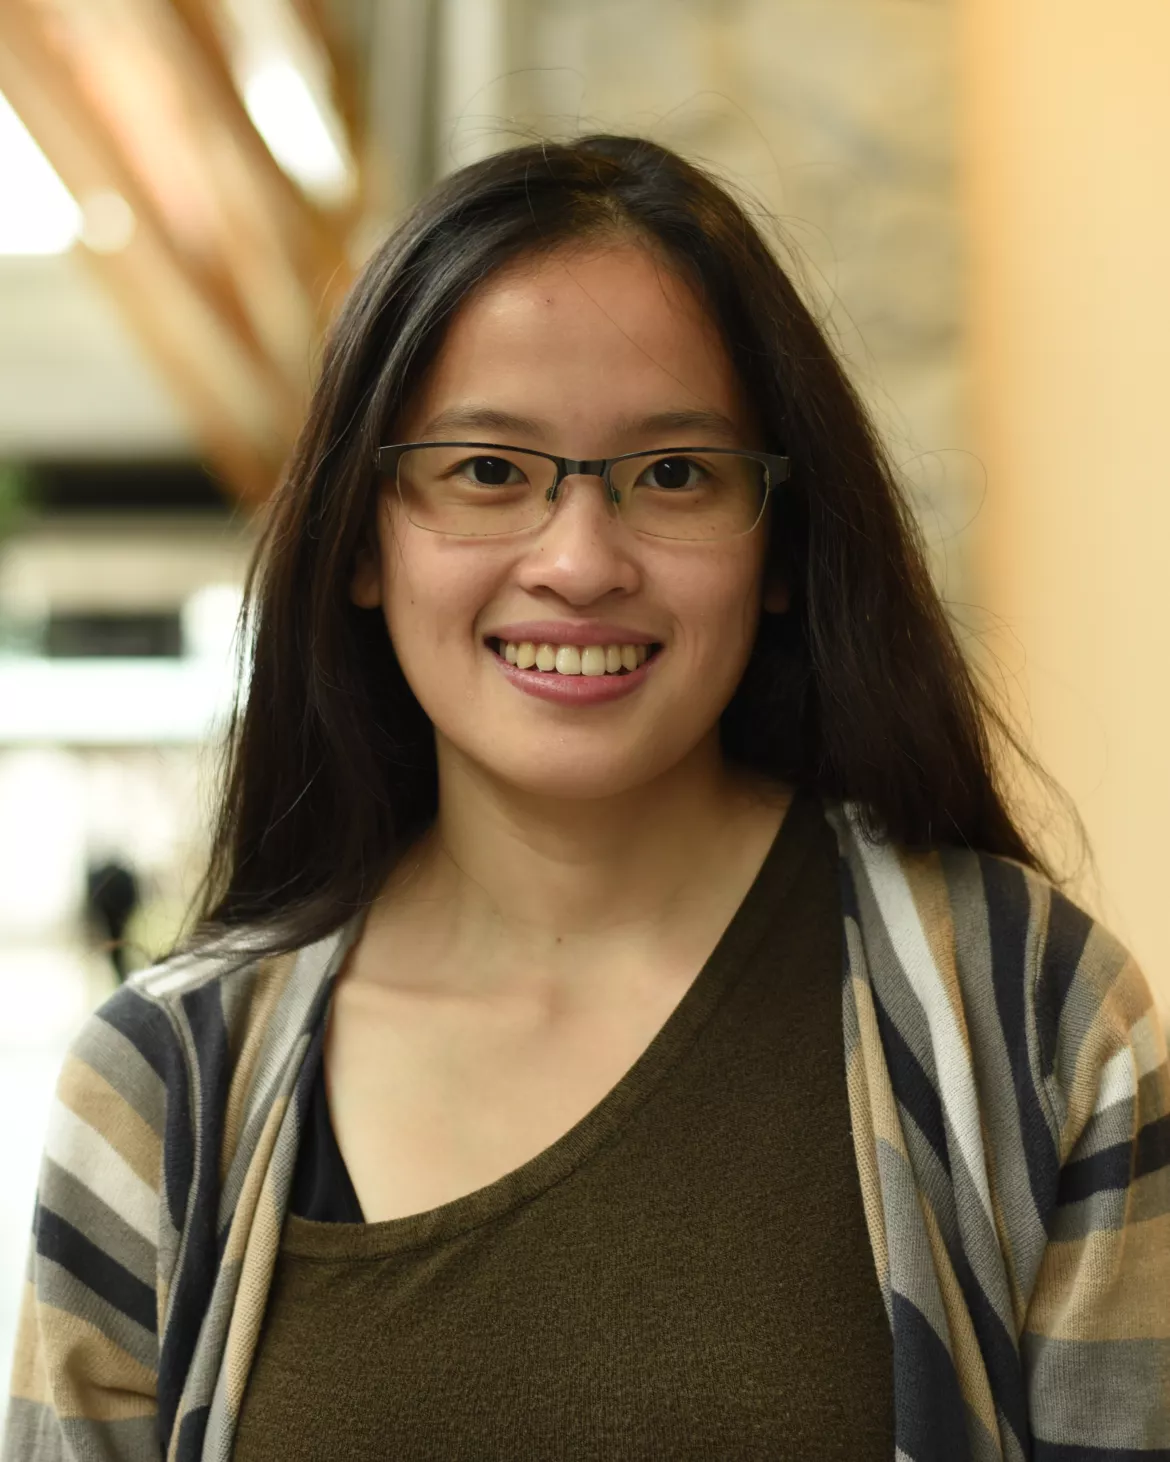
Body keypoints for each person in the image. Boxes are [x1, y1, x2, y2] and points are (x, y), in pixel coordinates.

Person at [4, 135, 1167, 1462]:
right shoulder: (165, 1091)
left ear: (777, 545)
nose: (577, 559)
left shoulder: (1028, 1017)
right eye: (487, 470)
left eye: (672, 473)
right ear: (363, 541)